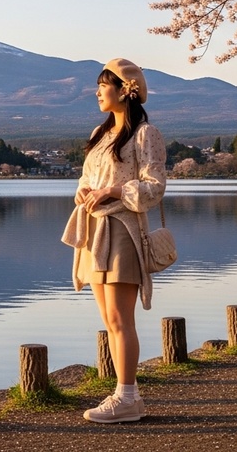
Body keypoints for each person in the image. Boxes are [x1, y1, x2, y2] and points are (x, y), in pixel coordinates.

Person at [60, 58, 167, 423]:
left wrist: (113, 190)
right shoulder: (100, 133)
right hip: (94, 231)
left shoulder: (144, 134)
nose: (97, 92)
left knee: (122, 319)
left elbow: (155, 187)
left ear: (124, 90)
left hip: (122, 230)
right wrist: (85, 192)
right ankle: (125, 395)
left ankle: (127, 397)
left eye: (102, 85)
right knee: (109, 319)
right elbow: (86, 179)